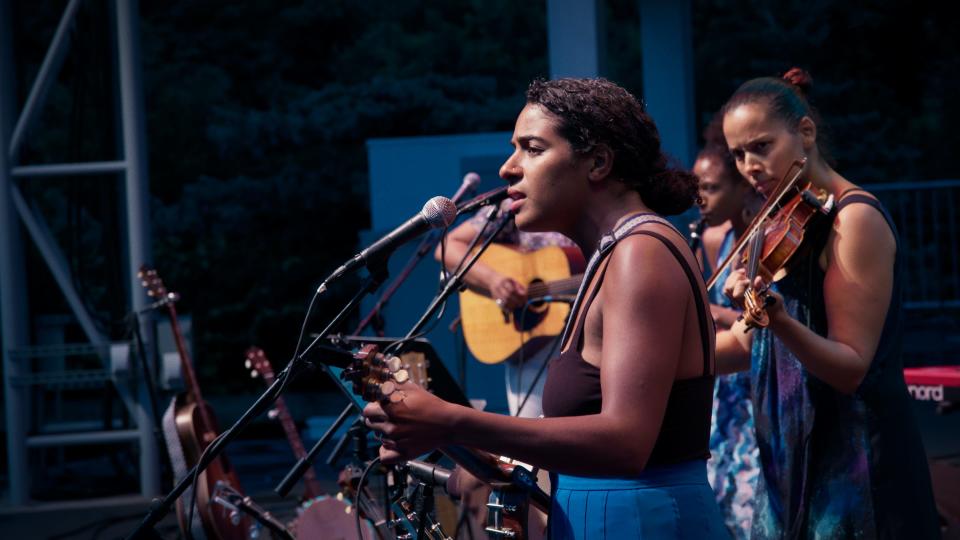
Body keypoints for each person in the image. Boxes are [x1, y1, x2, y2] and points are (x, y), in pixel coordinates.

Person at [364, 77, 728, 539]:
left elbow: (627, 442)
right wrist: (463, 446)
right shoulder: (614, 253)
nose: (507, 168)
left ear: (597, 162)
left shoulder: (642, 251)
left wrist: (451, 420)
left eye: (531, 149)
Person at [715, 67, 939, 538]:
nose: (749, 167)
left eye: (761, 146)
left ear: (806, 133)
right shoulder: (784, 220)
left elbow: (850, 366)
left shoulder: (853, 220)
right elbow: (748, 345)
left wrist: (776, 318)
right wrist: (659, 353)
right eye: (738, 154)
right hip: (793, 461)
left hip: (856, 466)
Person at [436, 208, 581, 419]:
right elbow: (448, 247)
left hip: (595, 335)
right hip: (534, 345)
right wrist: (494, 281)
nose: (507, 172)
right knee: (534, 441)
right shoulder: (514, 204)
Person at [692, 126, 763, 539]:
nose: (701, 199)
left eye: (713, 188)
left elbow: (754, 323)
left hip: (753, 392)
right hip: (725, 394)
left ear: (742, 186)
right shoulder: (722, 240)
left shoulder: (757, 241)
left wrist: (706, 310)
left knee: (750, 507)